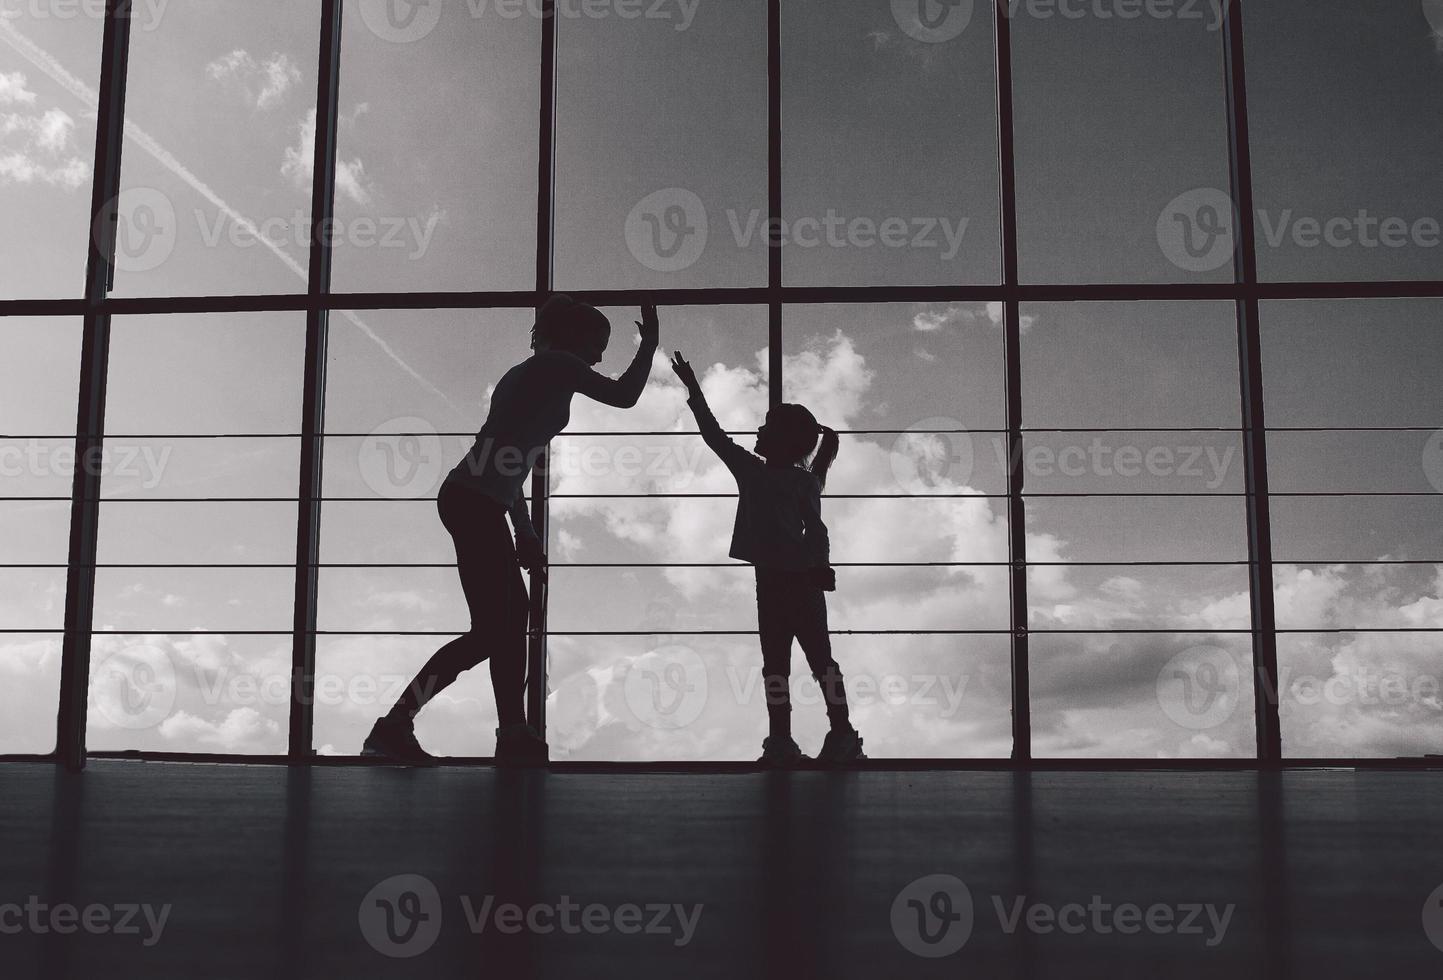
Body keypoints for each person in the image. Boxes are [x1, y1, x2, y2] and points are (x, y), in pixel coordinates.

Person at [364, 295, 661, 765]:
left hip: (476, 500)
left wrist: (523, 529)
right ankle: (413, 725)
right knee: (495, 628)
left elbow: (508, 465)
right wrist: (649, 348)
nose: (601, 355)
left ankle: (500, 731)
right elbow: (624, 396)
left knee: (502, 626)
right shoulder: (558, 365)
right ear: (574, 336)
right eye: (599, 343)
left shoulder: (525, 375)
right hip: (475, 503)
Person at [669, 351, 864, 768]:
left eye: (767, 426)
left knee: (776, 666)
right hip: (801, 584)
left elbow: (713, 436)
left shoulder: (753, 472)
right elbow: (818, 531)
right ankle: (841, 732)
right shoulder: (801, 481)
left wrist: (694, 390)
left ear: (782, 440)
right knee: (818, 660)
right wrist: (820, 567)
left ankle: (783, 739)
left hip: (773, 583)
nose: (758, 428)